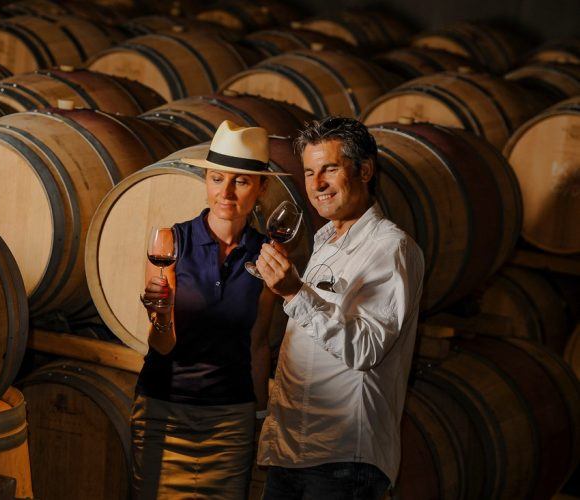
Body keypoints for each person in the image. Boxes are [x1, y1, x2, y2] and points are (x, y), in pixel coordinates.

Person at [254, 116, 425, 499]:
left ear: (364, 170)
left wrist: (296, 293)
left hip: (342, 458)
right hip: (293, 450)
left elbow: (364, 348)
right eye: (310, 172)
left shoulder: (390, 248)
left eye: (329, 169)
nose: (316, 185)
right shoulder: (325, 240)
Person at [133, 120, 288, 499]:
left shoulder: (268, 256)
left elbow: (257, 345)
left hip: (229, 422)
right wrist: (161, 316)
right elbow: (162, 344)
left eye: (241, 181)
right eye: (217, 178)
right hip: (164, 411)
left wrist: (257, 417)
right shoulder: (172, 241)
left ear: (262, 187)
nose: (226, 193)